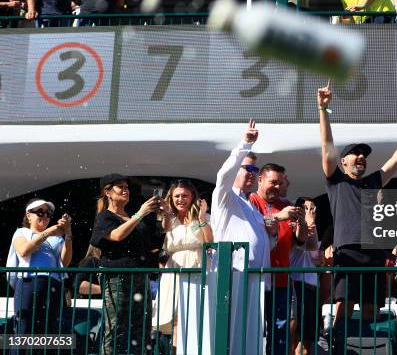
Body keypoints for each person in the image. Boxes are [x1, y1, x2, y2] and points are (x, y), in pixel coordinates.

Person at [317, 80, 397, 353]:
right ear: (343, 162)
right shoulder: (336, 181)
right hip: (348, 252)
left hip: (374, 250)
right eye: (354, 154)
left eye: (363, 155)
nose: (360, 158)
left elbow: (396, 161)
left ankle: (363, 347)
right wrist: (323, 109)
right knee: (344, 303)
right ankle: (336, 345)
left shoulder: (373, 182)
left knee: (371, 306)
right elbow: (327, 145)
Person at [210, 119, 274, 355]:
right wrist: (244, 144)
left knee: (252, 341)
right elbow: (223, 174)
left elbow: (262, 243)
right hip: (232, 276)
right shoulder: (225, 197)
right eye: (248, 168)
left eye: (255, 170)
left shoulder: (250, 206)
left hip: (255, 281)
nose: (252, 174)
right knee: (228, 339)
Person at [89, 173, 160, 355]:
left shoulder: (134, 218)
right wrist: (141, 213)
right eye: (120, 187)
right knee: (115, 328)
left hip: (139, 277)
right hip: (116, 278)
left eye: (127, 187)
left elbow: (155, 242)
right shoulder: (105, 216)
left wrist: (166, 214)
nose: (125, 190)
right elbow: (117, 236)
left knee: (142, 328)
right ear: (108, 192)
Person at [248, 164, 307, 355]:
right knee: (253, 330)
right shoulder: (250, 202)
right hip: (256, 279)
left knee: (281, 332)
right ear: (260, 180)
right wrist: (279, 216)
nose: (276, 186)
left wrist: (302, 223)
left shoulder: (286, 204)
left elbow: (300, 242)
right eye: (273, 182)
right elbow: (255, 226)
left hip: (281, 279)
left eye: (280, 183)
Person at [156, 179, 214, 354]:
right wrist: (165, 212)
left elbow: (210, 243)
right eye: (177, 196)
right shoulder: (168, 219)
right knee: (174, 319)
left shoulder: (203, 218)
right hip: (174, 268)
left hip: (197, 266)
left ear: (192, 197)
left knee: (194, 317)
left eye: (185, 196)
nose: (180, 199)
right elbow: (165, 230)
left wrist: (202, 218)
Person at [7, 199, 73, 336]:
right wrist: (47, 233)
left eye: (48, 213)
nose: (45, 216)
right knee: (24, 329)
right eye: (40, 212)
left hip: (53, 283)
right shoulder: (22, 232)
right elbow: (24, 250)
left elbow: (64, 263)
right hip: (29, 282)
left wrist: (67, 234)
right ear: (28, 215)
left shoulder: (57, 238)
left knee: (48, 331)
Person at [289, 197, 320, 355]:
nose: (312, 212)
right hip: (297, 284)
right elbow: (309, 245)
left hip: (312, 287)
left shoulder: (313, 230)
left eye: (314, 209)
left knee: (307, 339)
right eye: (308, 208)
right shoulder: (294, 227)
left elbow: (317, 257)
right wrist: (309, 222)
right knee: (292, 336)